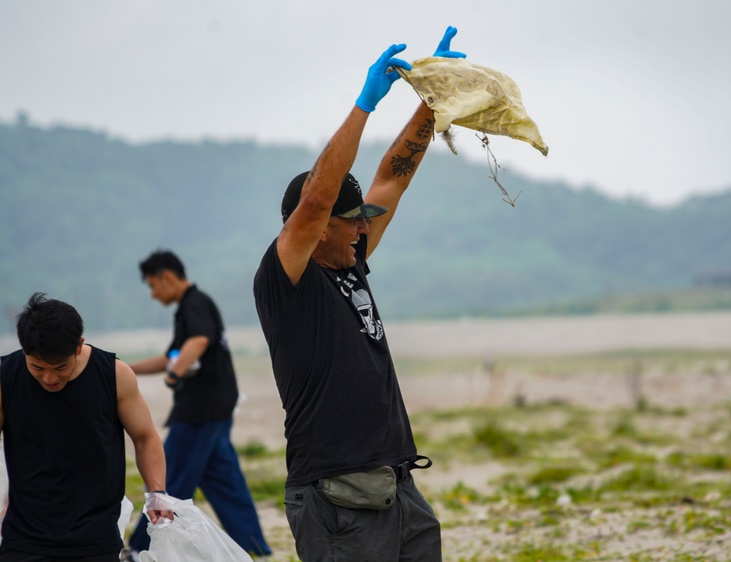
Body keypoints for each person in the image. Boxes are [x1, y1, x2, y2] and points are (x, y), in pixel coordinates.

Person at [252, 27, 465, 561]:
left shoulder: (352, 260)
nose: (364, 229)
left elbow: (395, 177)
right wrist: (364, 104)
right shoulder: (286, 280)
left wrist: (431, 100)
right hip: (335, 495)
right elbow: (320, 194)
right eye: (351, 222)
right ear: (318, 226)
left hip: (397, 485)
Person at [0, 293, 171, 561]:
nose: (49, 378)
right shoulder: (5, 377)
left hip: (95, 536)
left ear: (78, 346)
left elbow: (144, 437)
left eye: (59, 367)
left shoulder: (114, 375)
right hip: (24, 537)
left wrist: (157, 494)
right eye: (37, 367)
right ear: (24, 349)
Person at [123, 250, 271, 557]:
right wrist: (125, 369)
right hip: (216, 408)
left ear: (166, 277)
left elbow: (198, 342)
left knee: (169, 475)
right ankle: (254, 545)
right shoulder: (192, 306)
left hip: (199, 411)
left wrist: (175, 376)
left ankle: (140, 548)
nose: (153, 293)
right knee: (224, 480)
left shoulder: (194, 303)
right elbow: (171, 356)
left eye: (152, 285)